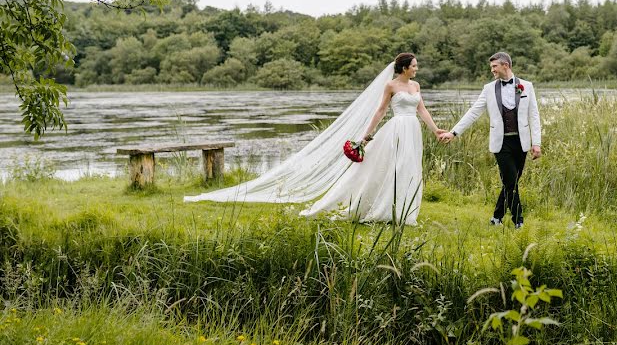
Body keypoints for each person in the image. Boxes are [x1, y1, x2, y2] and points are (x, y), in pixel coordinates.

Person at [185, 53, 447, 226]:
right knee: (393, 168)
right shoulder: (391, 86)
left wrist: (435, 130)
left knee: (410, 168)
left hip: (412, 129)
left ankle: (404, 212)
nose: (417, 69)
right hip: (396, 129)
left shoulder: (416, 87)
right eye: (414, 65)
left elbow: (421, 109)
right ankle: (383, 209)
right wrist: (365, 137)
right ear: (403, 68)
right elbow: (380, 111)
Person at [439, 52, 541, 229]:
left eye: (494, 66)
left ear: (505, 66)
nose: (492, 70)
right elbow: (473, 112)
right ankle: (519, 221)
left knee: (512, 181)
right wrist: (453, 132)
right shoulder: (488, 89)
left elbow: (534, 115)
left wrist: (536, 143)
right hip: (501, 143)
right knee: (511, 181)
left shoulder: (527, 86)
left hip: (522, 142)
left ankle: (496, 217)